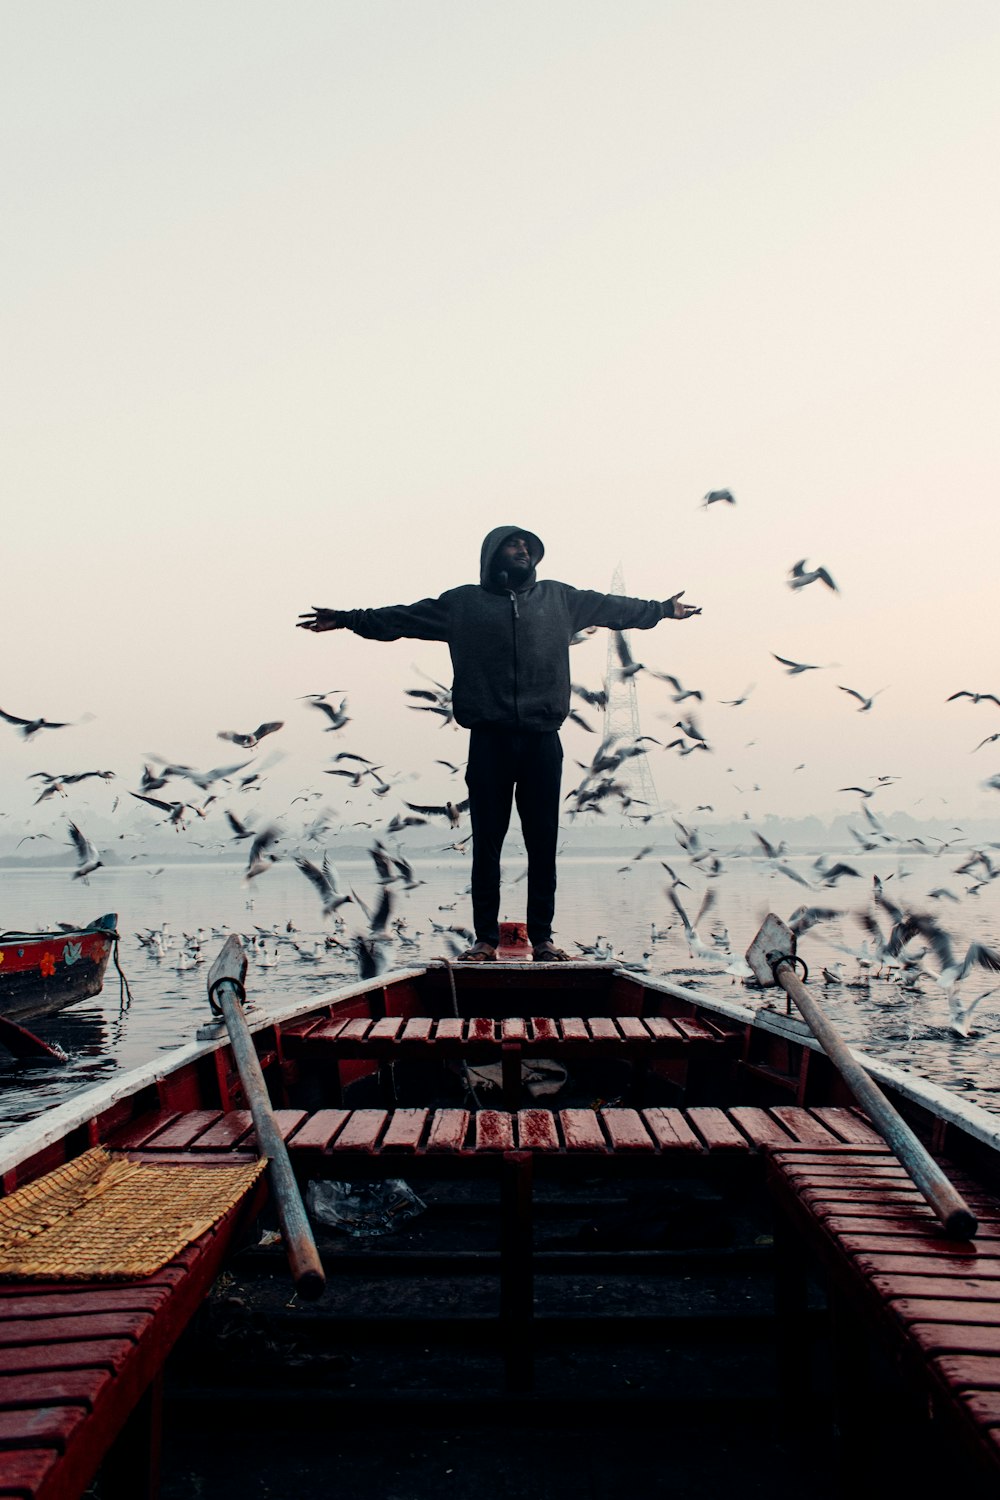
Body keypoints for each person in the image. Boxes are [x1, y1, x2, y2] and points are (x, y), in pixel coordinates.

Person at [297, 526, 701, 962]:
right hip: (488, 739)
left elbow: (614, 607)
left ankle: (543, 939)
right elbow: (401, 618)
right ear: (493, 554)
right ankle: (485, 940)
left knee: (542, 842)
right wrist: (349, 618)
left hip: (543, 739)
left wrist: (662, 609)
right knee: (487, 840)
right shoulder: (462, 604)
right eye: (513, 544)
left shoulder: (559, 598)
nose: (523, 550)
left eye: (528, 546)